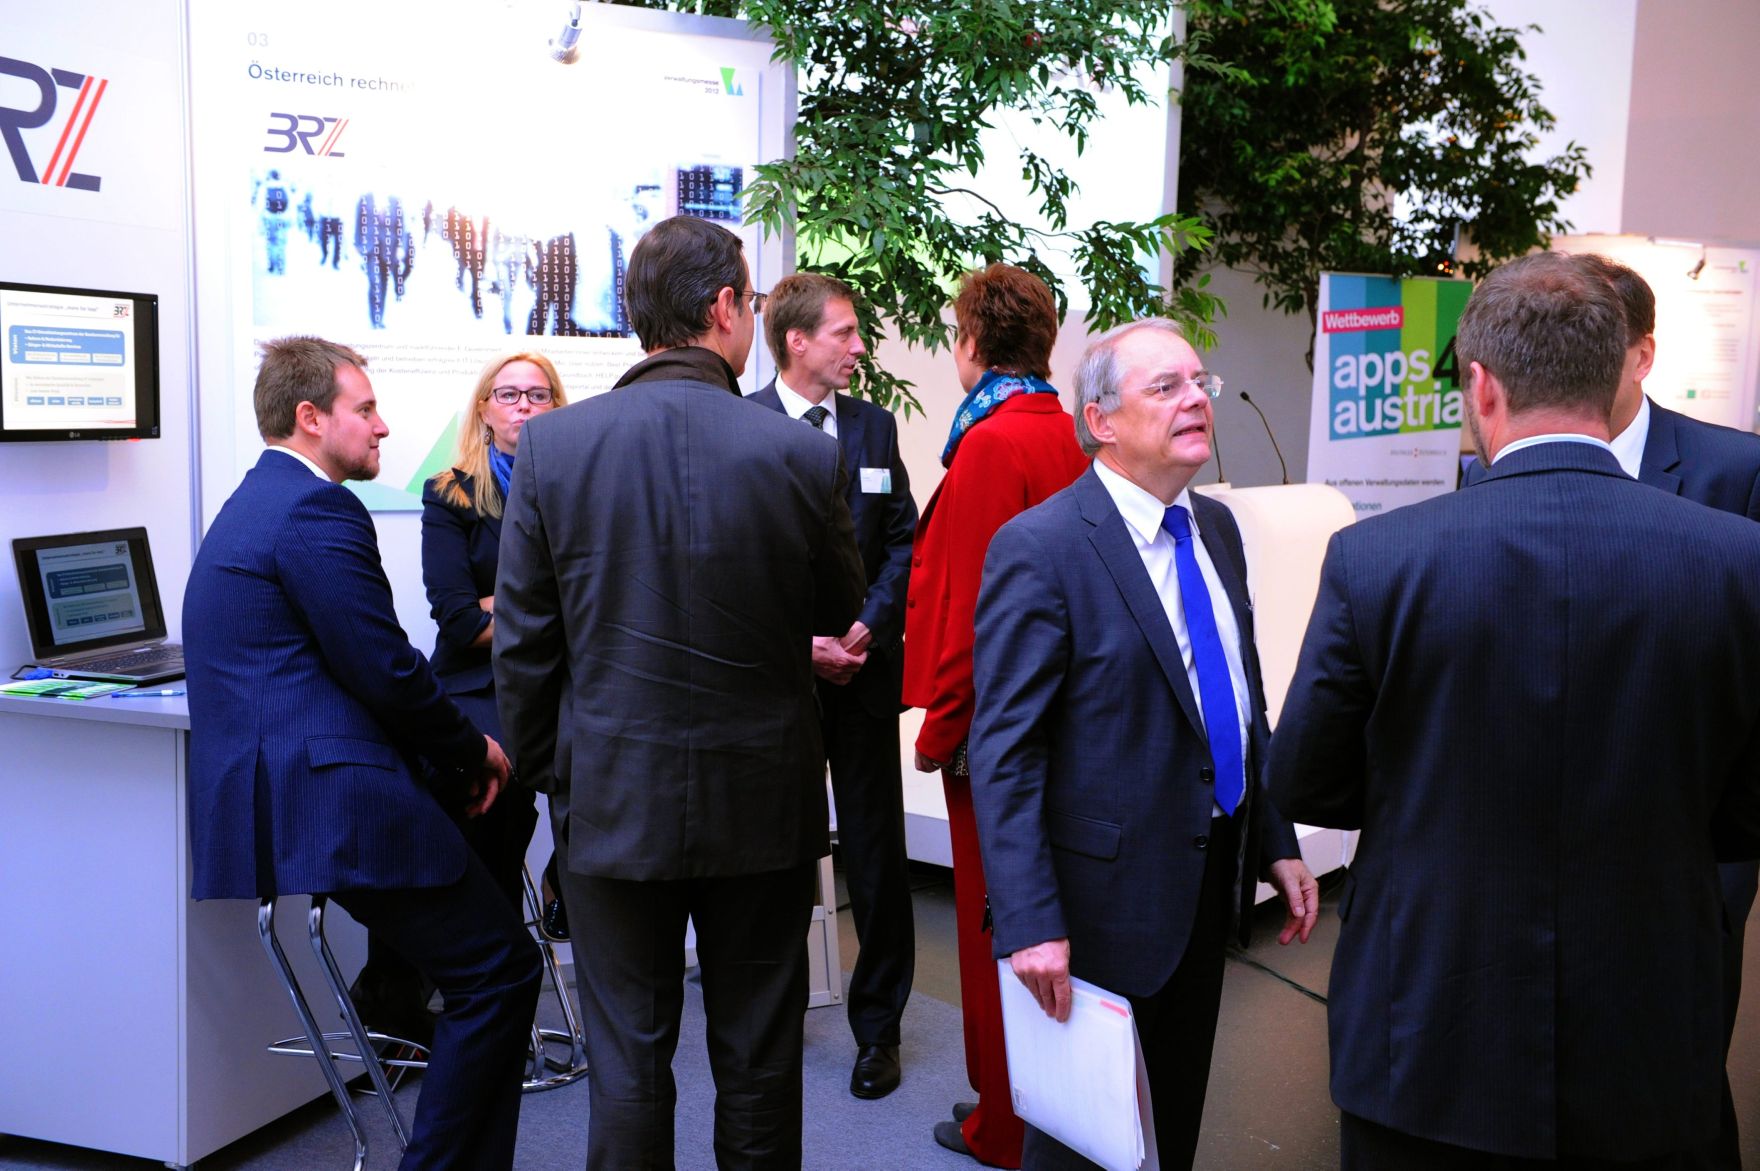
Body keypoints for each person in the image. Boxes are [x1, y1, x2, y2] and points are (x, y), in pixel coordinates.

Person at [1268, 251, 1760, 1168]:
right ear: (1618, 367)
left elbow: (1311, 780)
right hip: (1652, 1036)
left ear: (1482, 386)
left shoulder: (1378, 559)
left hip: (1426, 1034)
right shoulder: (1735, 559)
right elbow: (1747, 808)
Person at [493, 215, 867, 1168]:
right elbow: (836, 601)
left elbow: (526, 649)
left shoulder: (552, 448)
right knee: (757, 1060)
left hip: (612, 802)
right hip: (764, 805)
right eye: (746, 300)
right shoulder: (798, 451)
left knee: (627, 1064)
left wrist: (556, 779)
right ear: (723, 309)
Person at [183, 337, 542, 1171]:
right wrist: (474, 754)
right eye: (367, 409)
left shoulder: (260, 499)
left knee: (494, 968)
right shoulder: (315, 510)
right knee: (498, 970)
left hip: (301, 796)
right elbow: (384, 668)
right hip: (335, 800)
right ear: (310, 418)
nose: (384, 427)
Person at [969, 317, 1319, 1170]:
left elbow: (1240, 702)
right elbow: (1004, 750)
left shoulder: (1217, 531)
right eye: (1165, 387)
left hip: (1202, 889)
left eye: (1200, 381)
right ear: (1103, 421)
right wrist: (1029, 921)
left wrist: (1275, 839)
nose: (1196, 399)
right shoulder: (1043, 548)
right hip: (1095, 915)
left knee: (1172, 1130)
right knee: (1088, 1147)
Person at [1465, 252, 1760, 1171]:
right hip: (1522, 844)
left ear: (1639, 355)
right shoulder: (1490, 470)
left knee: (1672, 1076)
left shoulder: (1735, 470)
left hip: (1685, 841)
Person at [901, 263, 1091, 1167]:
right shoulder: (1069, 431)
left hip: (998, 736)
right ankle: (1054, 1115)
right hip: (1066, 724)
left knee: (996, 937)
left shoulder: (989, 444)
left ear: (972, 343)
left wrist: (940, 730)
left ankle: (1003, 1125)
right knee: (1048, 929)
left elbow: (973, 605)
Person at [346, 351, 574, 1036]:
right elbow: (461, 621)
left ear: (558, 408)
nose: (524, 406)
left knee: (597, 769)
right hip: (477, 682)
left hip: (560, 684)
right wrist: (546, 607)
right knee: (478, 790)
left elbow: (595, 604)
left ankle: (489, 972)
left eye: (539, 395)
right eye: (508, 394)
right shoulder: (451, 493)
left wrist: (509, 607)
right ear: (484, 409)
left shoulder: (579, 490)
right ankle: (455, 977)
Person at [751, 272, 919, 1101]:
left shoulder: (874, 428)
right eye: (847, 333)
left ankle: (877, 1029)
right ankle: (769, 1020)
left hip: (862, 673)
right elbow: (726, 562)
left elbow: (902, 542)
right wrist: (799, 642)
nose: (859, 348)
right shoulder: (741, 423)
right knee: (772, 855)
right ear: (797, 341)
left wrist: (868, 625)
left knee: (878, 857)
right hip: (774, 683)